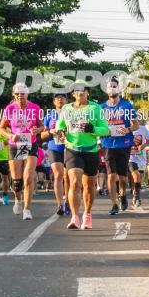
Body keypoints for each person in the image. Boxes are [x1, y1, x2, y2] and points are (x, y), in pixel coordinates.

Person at [56, 81, 110, 230]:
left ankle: (87, 214)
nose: (80, 93)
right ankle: (74, 217)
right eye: (77, 91)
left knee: (89, 186)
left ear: (87, 92)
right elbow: (59, 125)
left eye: (83, 91)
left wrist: (93, 128)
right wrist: (61, 132)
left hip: (91, 150)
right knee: (74, 183)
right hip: (72, 149)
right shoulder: (66, 108)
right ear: (73, 94)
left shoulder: (95, 108)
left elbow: (105, 130)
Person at [0, 83, 45, 220]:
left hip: (30, 143)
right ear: (14, 95)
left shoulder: (35, 108)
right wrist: (10, 135)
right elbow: (2, 128)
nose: (20, 96)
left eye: (22, 93)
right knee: (17, 182)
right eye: (17, 94)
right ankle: (18, 200)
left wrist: (38, 130)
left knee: (28, 177)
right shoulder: (10, 109)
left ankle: (27, 209)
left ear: (27, 94)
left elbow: (42, 125)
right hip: (15, 144)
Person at [99, 78, 140, 214]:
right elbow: (97, 125)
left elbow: (136, 125)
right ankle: (114, 204)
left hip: (124, 143)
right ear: (106, 89)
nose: (112, 89)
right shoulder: (101, 108)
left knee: (122, 177)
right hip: (107, 144)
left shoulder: (127, 106)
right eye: (110, 86)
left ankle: (122, 195)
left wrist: (127, 130)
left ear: (118, 89)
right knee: (111, 176)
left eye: (114, 86)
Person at [41, 93, 70, 215]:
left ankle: (68, 202)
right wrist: (51, 131)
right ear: (54, 102)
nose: (60, 100)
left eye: (62, 98)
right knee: (58, 175)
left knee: (68, 177)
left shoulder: (72, 113)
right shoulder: (49, 115)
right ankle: (60, 205)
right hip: (54, 147)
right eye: (57, 98)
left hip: (70, 147)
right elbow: (42, 135)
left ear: (67, 100)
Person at [128, 131, 148, 206]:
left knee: (140, 177)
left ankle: (135, 191)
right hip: (131, 159)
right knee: (136, 175)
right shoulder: (128, 128)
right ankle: (137, 196)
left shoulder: (144, 129)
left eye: (138, 140)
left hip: (142, 159)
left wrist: (143, 146)